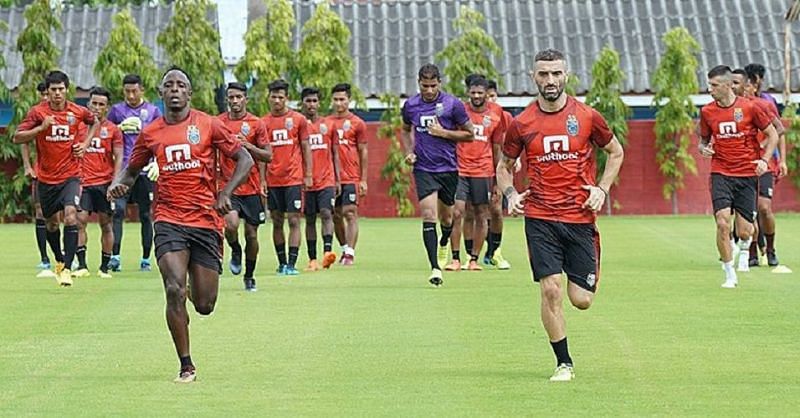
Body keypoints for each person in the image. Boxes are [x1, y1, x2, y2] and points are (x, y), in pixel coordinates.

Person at [109, 67, 254, 383]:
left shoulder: (209, 124)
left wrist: (226, 192)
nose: (175, 89)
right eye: (169, 85)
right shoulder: (151, 134)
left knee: (204, 305)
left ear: (189, 93)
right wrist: (119, 184)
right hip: (168, 218)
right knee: (173, 288)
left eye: (181, 85)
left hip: (205, 220)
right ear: (161, 93)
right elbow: (132, 171)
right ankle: (186, 365)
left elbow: (246, 159)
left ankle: (194, 285)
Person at [496, 49, 624, 382]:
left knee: (581, 300)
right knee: (550, 289)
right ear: (532, 76)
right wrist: (510, 195)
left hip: (580, 218)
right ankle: (563, 363)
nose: (549, 80)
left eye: (555, 74)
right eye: (543, 74)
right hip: (540, 217)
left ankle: (583, 272)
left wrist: (602, 190)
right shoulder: (521, 123)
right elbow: (504, 167)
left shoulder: (587, 116)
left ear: (566, 75)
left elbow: (615, 152)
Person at [13, 70, 98, 287]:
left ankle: (68, 268)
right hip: (46, 178)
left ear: (66, 90)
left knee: (71, 216)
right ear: (47, 92)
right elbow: (17, 137)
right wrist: (41, 128)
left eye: (61, 89)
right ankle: (59, 260)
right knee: (51, 224)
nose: (58, 94)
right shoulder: (37, 113)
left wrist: (85, 144)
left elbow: (94, 121)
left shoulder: (77, 111)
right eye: (53, 90)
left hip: (71, 175)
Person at [698, 65, 778, 288]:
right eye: (709, 85)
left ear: (726, 85)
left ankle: (744, 247)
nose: (710, 89)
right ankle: (729, 274)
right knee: (723, 223)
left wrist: (764, 160)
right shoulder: (707, 112)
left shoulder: (751, 108)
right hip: (720, 173)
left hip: (746, 175)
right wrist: (703, 149)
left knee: (745, 230)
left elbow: (772, 134)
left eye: (714, 85)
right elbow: (703, 141)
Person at [401, 64, 474, 287]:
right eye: (425, 86)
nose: (430, 91)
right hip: (424, 169)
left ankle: (444, 241)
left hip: (448, 169)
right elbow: (404, 130)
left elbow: (470, 135)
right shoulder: (411, 105)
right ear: (418, 84)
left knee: (447, 218)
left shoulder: (453, 104)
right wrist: (408, 152)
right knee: (428, 214)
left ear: (439, 83)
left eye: (433, 86)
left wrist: (444, 133)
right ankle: (435, 268)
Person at [217, 82, 272, 291]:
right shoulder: (218, 123)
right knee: (230, 225)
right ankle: (235, 249)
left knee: (252, 234)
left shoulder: (256, 124)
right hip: (228, 187)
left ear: (245, 99)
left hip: (251, 188)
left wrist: (247, 146)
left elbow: (268, 155)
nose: (234, 101)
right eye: (231, 97)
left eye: (238, 97)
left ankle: (249, 276)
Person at [445, 76, 503, 272]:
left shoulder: (497, 113)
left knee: (481, 214)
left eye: (480, 92)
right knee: (457, 211)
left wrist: (497, 180)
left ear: (487, 93)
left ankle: (473, 259)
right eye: (473, 92)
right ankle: (454, 258)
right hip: (460, 170)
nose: (477, 96)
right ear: (468, 92)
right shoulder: (459, 110)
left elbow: (497, 148)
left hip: (483, 171)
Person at [106, 74, 162, 272]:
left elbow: (160, 138)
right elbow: (107, 133)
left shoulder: (153, 111)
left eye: (134, 91)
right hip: (124, 171)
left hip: (145, 172)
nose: (130, 95)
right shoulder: (116, 111)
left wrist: (157, 162)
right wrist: (118, 127)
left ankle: (146, 258)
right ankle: (115, 256)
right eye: (127, 91)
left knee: (146, 214)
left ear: (142, 90)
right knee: (118, 211)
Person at [730, 69, 785, 269]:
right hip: (742, 168)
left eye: (737, 83)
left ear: (748, 85)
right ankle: (752, 251)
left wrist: (764, 148)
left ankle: (770, 249)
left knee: (764, 208)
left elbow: (779, 129)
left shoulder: (762, 105)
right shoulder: (730, 109)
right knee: (747, 211)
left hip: (764, 165)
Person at [262, 79, 313, 275]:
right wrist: (262, 180)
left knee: (294, 220)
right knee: (276, 221)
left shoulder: (298, 120)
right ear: (268, 98)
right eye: (273, 97)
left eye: (280, 97)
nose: (276, 100)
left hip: (293, 178)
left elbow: (306, 147)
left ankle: (292, 264)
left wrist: (308, 174)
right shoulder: (263, 123)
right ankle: (281, 262)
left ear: (287, 98)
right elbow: (260, 155)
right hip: (273, 180)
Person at [74, 87, 123, 279]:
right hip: (82, 182)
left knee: (106, 224)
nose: (96, 107)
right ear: (88, 104)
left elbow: (119, 156)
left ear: (107, 108)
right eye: (94, 103)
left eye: (101, 104)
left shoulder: (113, 130)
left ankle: (104, 267)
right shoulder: (79, 127)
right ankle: (82, 265)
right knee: (80, 221)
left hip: (104, 183)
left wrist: (115, 182)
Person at [299, 87, 339, 271]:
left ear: (319, 103)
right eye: (308, 101)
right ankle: (312, 258)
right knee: (309, 219)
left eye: (315, 101)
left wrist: (338, 179)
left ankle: (327, 253)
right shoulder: (299, 124)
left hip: (326, 180)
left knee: (326, 213)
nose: (311, 104)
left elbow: (335, 153)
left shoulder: (328, 125)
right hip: (305, 181)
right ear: (302, 103)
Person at [327, 83, 367, 266]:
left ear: (348, 100)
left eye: (342, 99)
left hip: (350, 175)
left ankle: (350, 253)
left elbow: (363, 151)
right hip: (330, 178)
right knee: (335, 215)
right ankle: (344, 248)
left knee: (349, 213)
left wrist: (363, 179)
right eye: (335, 99)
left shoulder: (357, 123)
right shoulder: (325, 124)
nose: (338, 103)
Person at [21, 82, 56, 277]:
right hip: (40, 172)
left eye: (47, 93)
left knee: (64, 214)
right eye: (43, 94)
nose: (46, 97)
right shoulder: (36, 115)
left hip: (65, 174)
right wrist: (27, 166)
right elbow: (23, 140)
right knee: (40, 212)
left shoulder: (67, 114)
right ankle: (44, 258)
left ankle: (68, 255)